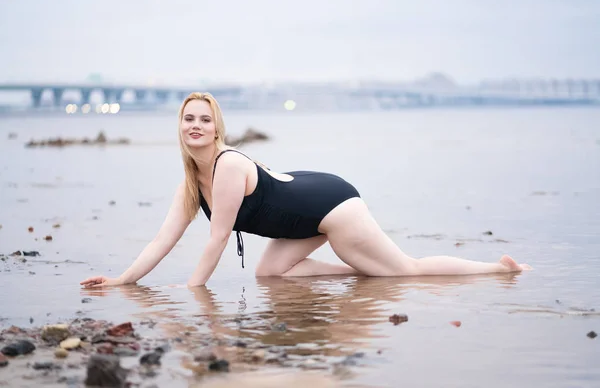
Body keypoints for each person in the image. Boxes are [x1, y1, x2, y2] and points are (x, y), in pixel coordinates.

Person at [80, 92, 531, 289]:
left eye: (204, 118)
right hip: (300, 211)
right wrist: (122, 280)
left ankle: (499, 270)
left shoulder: (229, 165)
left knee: (404, 272)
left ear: (217, 127)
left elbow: (217, 240)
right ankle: (363, 273)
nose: (195, 125)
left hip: (331, 205)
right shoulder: (190, 185)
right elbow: (164, 239)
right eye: (188, 118)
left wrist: (194, 293)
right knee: (270, 275)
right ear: (179, 126)